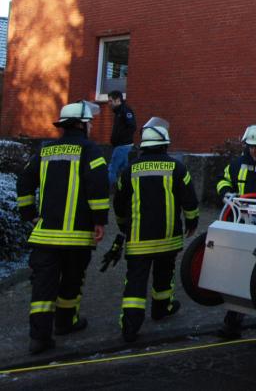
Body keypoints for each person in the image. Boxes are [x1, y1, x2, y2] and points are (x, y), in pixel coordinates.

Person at [16, 101, 109, 354]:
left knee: (43, 286)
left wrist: (29, 215)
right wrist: (100, 220)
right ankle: (66, 323)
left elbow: (24, 182)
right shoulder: (91, 150)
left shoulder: (45, 150)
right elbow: (98, 187)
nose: (90, 127)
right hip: (77, 236)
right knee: (71, 280)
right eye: (88, 122)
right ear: (81, 124)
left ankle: (39, 338)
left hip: (45, 236)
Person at [113, 122, 198, 342]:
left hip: (138, 240)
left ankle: (130, 326)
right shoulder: (177, 168)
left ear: (144, 145)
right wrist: (192, 222)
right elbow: (189, 199)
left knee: (135, 281)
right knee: (164, 276)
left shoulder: (129, 169)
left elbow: (119, 202)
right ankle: (161, 309)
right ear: (165, 145)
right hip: (168, 238)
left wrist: (122, 225)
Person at [216, 124, 256, 340]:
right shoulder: (237, 164)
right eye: (252, 147)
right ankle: (232, 324)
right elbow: (223, 181)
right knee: (241, 274)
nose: (255, 151)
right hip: (244, 225)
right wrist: (227, 194)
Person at [107, 90, 136, 186]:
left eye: (111, 101)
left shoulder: (125, 111)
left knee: (112, 169)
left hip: (122, 146)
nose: (109, 103)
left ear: (118, 100)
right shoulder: (118, 112)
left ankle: (109, 191)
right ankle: (124, 189)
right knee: (124, 170)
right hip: (121, 146)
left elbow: (132, 126)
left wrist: (120, 140)